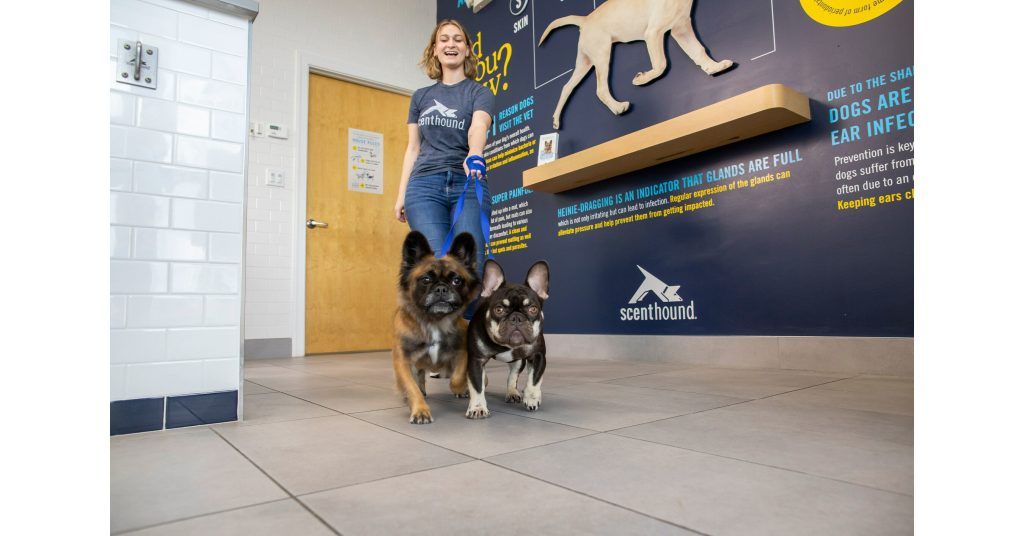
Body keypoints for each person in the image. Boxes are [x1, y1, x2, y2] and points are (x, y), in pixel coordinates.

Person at [395, 19, 494, 285]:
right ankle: (444, 327)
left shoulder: (478, 92)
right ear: (435, 49)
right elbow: (413, 147)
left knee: (469, 267)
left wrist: (475, 153)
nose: (451, 44)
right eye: (444, 39)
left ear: (467, 49)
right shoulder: (420, 97)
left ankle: (469, 326)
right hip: (424, 187)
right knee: (438, 269)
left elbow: (479, 126)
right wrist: (401, 194)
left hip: (467, 183)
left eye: (458, 39)